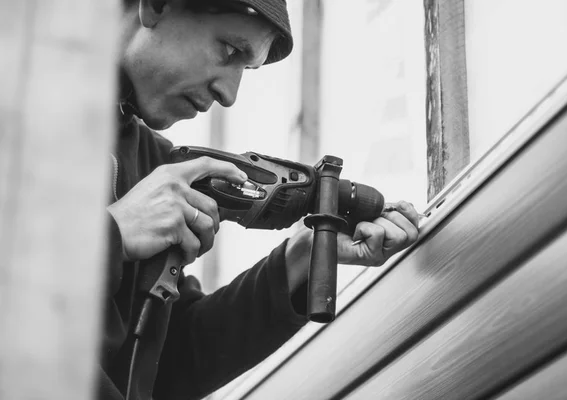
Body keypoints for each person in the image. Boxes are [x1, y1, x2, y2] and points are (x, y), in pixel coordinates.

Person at [102, 0, 421, 399]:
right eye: (230, 50)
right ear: (157, 6)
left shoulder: (150, 161)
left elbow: (167, 364)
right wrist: (110, 236)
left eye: (246, 69)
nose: (230, 93)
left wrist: (300, 258)